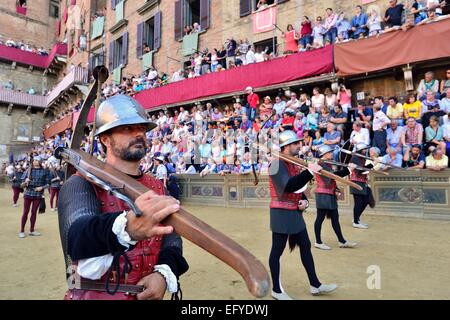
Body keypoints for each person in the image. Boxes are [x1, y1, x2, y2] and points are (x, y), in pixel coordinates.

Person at [58, 95, 188, 300]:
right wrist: (126, 227)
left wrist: (162, 273)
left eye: (142, 128)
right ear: (105, 139)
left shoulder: (156, 186)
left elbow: (171, 237)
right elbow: (76, 237)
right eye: (127, 128)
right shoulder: (80, 183)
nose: (138, 134)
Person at [268, 130, 337, 300]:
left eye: (299, 142)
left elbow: (298, 189)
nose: (300, 145)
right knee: (277, 251)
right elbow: (288, 186)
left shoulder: (293, 164)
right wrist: (310, 172)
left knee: (305, 245)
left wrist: (304, 201)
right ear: (286, 146)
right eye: (296, 143)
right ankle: (276, 290)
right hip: (281, 212)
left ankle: (315, 285)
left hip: (294, 212)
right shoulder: (276, 164)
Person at [314, 145, 357, 251]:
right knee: (320, 218)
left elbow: (331, 179)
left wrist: (336, 188)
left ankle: (342, 241)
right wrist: (348, 170)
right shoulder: (321, 164)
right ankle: (318, 242)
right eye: (330, 152)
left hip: (329, 194)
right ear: (324, 154)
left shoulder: (325, 163)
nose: (332, 153)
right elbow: (333, 176)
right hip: (323, 195)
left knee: (335, 218)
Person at [19, 156, 51, 238]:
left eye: (37, 160)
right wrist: (25, 181)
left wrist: (42, 187)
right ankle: (22, 230)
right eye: (34, 160)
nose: (35, 161)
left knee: (34, 212)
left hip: (38, 194)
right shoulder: (28, 170)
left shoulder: (45, 171)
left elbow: (48, 184)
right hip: (28, 193)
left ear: (40, 162)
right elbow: (21, 184)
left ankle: (32, 230)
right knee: (25, 212)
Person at [349, 143, 373, 229]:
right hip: (356, 181)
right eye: (364, 149)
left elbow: (362, 169)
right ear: (360, 149)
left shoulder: (361, 157)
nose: (366, 150)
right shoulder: (355, 157)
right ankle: (356, 221)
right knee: (359, 202)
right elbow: (360, 170)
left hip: (362, 181)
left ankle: (356, 218)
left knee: (366, 200)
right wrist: (370, 165)